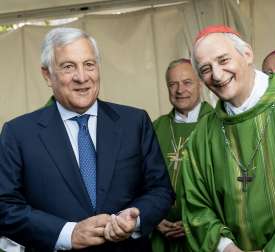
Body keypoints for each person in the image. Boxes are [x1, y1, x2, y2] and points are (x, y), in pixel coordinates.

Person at [0, 27, 174, 252]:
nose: (82, 77)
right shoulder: (18, 134)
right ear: (46, 74)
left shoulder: (134, 122)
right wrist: (68, 234)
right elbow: (5, 207)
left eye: (89, 64)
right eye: (68, 66)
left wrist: (135, 220)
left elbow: (161, 190)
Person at [181, 25, 275, 252]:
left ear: (247, 54)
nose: (218, 75)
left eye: (223, 60)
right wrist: (226, 247)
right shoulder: (201, 138)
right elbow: (196, 207)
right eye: (206, 69)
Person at [151, 59, 213, 252]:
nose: (180, 90)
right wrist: (153, 218)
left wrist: (194, 221)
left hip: (204, 233)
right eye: (173, 84)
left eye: (187, 82)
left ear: (201, 83)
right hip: (161, 233)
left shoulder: (216, 124)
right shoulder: (156, 127)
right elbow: (138, 179)